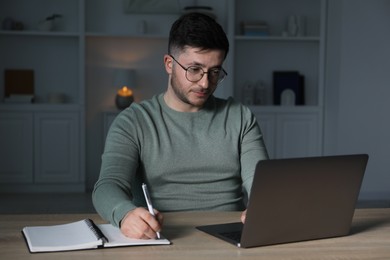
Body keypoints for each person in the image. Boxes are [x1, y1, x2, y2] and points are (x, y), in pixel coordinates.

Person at [92, 12, 269, 239]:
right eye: (194, 69)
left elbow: (260, 184)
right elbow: (107, 186)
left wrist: (262, 206)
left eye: (215, 71)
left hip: (229, 239)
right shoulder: (133, 121)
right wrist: (125, 214)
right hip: (161, 236)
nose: (205, 83)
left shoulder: (241, 118)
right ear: (169, 64)